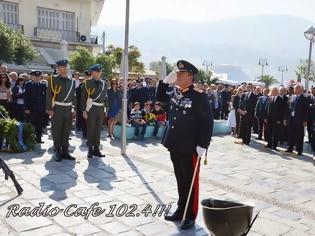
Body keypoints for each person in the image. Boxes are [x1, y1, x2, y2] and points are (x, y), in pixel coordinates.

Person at [156, 60, 213, 230]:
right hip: (174, 143)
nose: (177, 76)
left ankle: (190, 215)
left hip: (190, 146)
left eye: (180, 74)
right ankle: (181, 209)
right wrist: (164, 81)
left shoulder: (198, 95)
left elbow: (207, 122)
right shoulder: (175, 91)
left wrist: (203, 144)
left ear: (190, 76)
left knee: (190, 181)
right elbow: (159, 100)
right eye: (177, 73)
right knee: (180, 179)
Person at [46, 59, 76, 162]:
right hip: (57, 108)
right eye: (61, 66)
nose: (64, 68)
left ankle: (65, 151)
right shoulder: (53, 79)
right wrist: (49, 108)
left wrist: (74, 108)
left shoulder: (72, 80)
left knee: (67, 130)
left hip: (68, 108)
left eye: (65, 66)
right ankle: (58, 151)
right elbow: (49, 94)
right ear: (58, 68)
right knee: (57, 129)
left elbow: (74, 96)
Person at [81, 64, 107, 159]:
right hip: (91, 108)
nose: (100, 73)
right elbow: (83, 98)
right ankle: (90, 149)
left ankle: (96, 148)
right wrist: (84, 110)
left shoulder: (104, 83)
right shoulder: (87, 83)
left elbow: (105, 97)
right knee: (91, 129)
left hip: (100, 108)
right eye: (98, 71)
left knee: (98, 129)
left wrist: (106, 109)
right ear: (93, 72)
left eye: (100, 71)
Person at [284, 84, 309, 155]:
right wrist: (285, 119)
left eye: (298, 88)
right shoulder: (291, 97)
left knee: (299, 135)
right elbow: (287, 109)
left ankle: (299, 150)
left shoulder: (305, 98)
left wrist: (305, 120)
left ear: (301, 90)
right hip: (290, 119)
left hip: (300, 120)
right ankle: (290, 148)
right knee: (290, 134)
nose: (296, 90)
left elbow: (306, 110)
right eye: (295, 89)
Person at [24, 70, 47, 143]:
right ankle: (30, 139)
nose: (37, 78)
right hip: (31, 108)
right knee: (31, 124)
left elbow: (45, 97)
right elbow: (26, 97)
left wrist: (46, 107)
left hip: (40, 108)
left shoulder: (43, 85)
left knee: (39, 124)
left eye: (39, 77)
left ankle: (38, 138)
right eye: (35, 76)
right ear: (32, 76)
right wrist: (26, 108)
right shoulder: (28, 84)